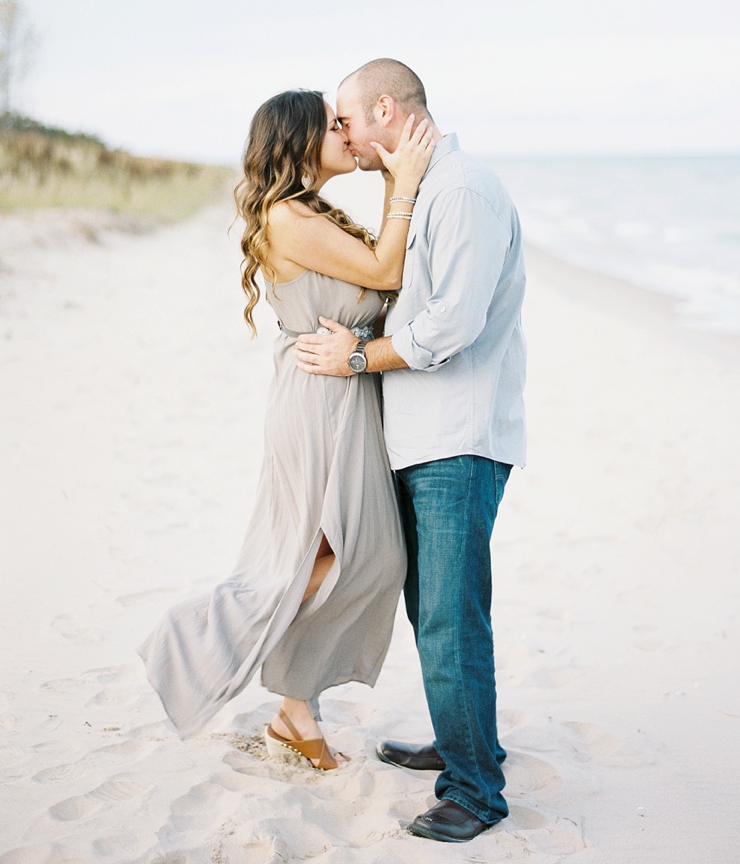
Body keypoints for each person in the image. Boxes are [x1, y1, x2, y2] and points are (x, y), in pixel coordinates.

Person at [139, 88, 434, 769]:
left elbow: (381, 285)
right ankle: (196, 632)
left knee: (363, 554)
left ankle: (294, 712)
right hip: (317, 403)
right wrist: (406, 181)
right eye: (333, 124)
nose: (345, 129)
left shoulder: (309, 212)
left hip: (344, 393)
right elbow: (385, 269)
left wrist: (395, 178)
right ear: (299, 140)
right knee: (347, 554)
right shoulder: (285, 216)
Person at [295, 59, 526, 840]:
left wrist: (359, 356)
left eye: (347, 120)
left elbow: (449, 327)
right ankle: (464, 742)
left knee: (449, 617)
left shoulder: (460, 190)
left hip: (456, 437)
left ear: (384, 110)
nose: (344, 135)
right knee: (434, 606)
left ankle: (475, 791)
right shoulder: (426, 187)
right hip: (423, 433)